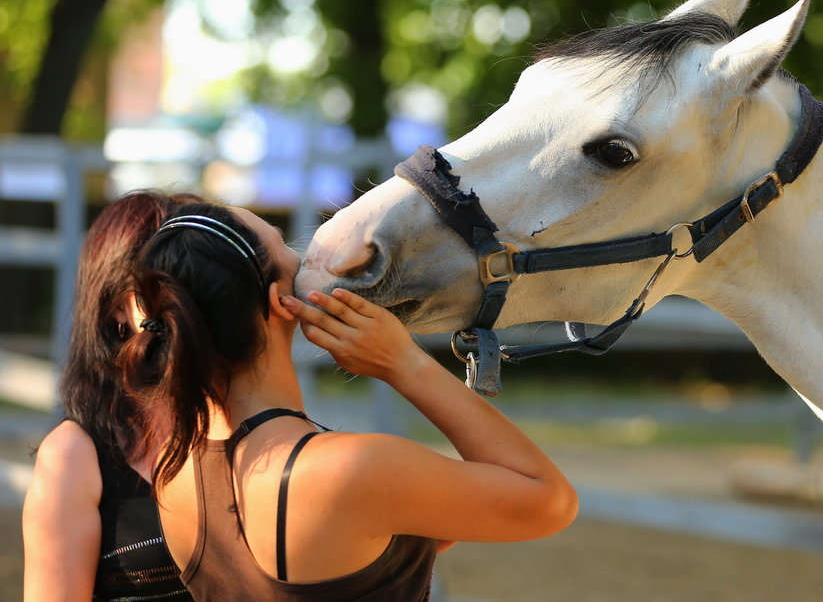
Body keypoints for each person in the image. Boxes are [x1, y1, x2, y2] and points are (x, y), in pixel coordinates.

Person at [119, 201, 578, 599]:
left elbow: (413, 532)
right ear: (282, 300)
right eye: (286, 248)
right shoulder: (349, 471)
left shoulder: (175, 466)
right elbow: (551, 502)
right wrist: (405, 364)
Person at [22, 191, 200, 601]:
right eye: (171, 278)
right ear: (118, 307)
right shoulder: (74, 455)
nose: (195, 297)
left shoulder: (247, 420)